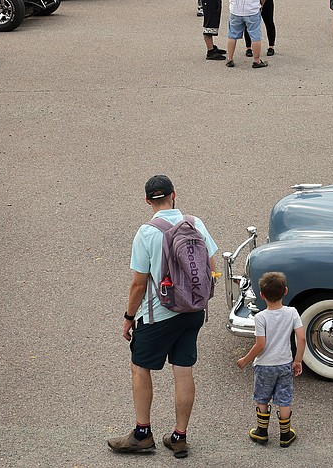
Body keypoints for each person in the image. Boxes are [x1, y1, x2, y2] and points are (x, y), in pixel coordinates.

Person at [108, 175, 218, 458]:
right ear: (174, 195)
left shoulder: (146, 232)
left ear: (148, 201)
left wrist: (128, 317)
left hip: (159, 315)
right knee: (183, 370)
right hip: (193, 310)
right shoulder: (195, 223)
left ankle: (142, 434)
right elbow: (211, 265)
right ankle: (179, 437)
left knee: (140, 367)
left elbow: (139, 284)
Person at [236, 271, 305, 448]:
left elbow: (260, 345)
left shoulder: (260, 317)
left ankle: (261, 432)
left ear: (262, 295)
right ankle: (285, 434)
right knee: (284, 399)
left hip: (264, 365)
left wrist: (245, 360)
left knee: (262, 398)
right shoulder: (292, 312)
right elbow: (302, 338)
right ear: (286, 291)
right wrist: (298, 360)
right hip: (284, 364)